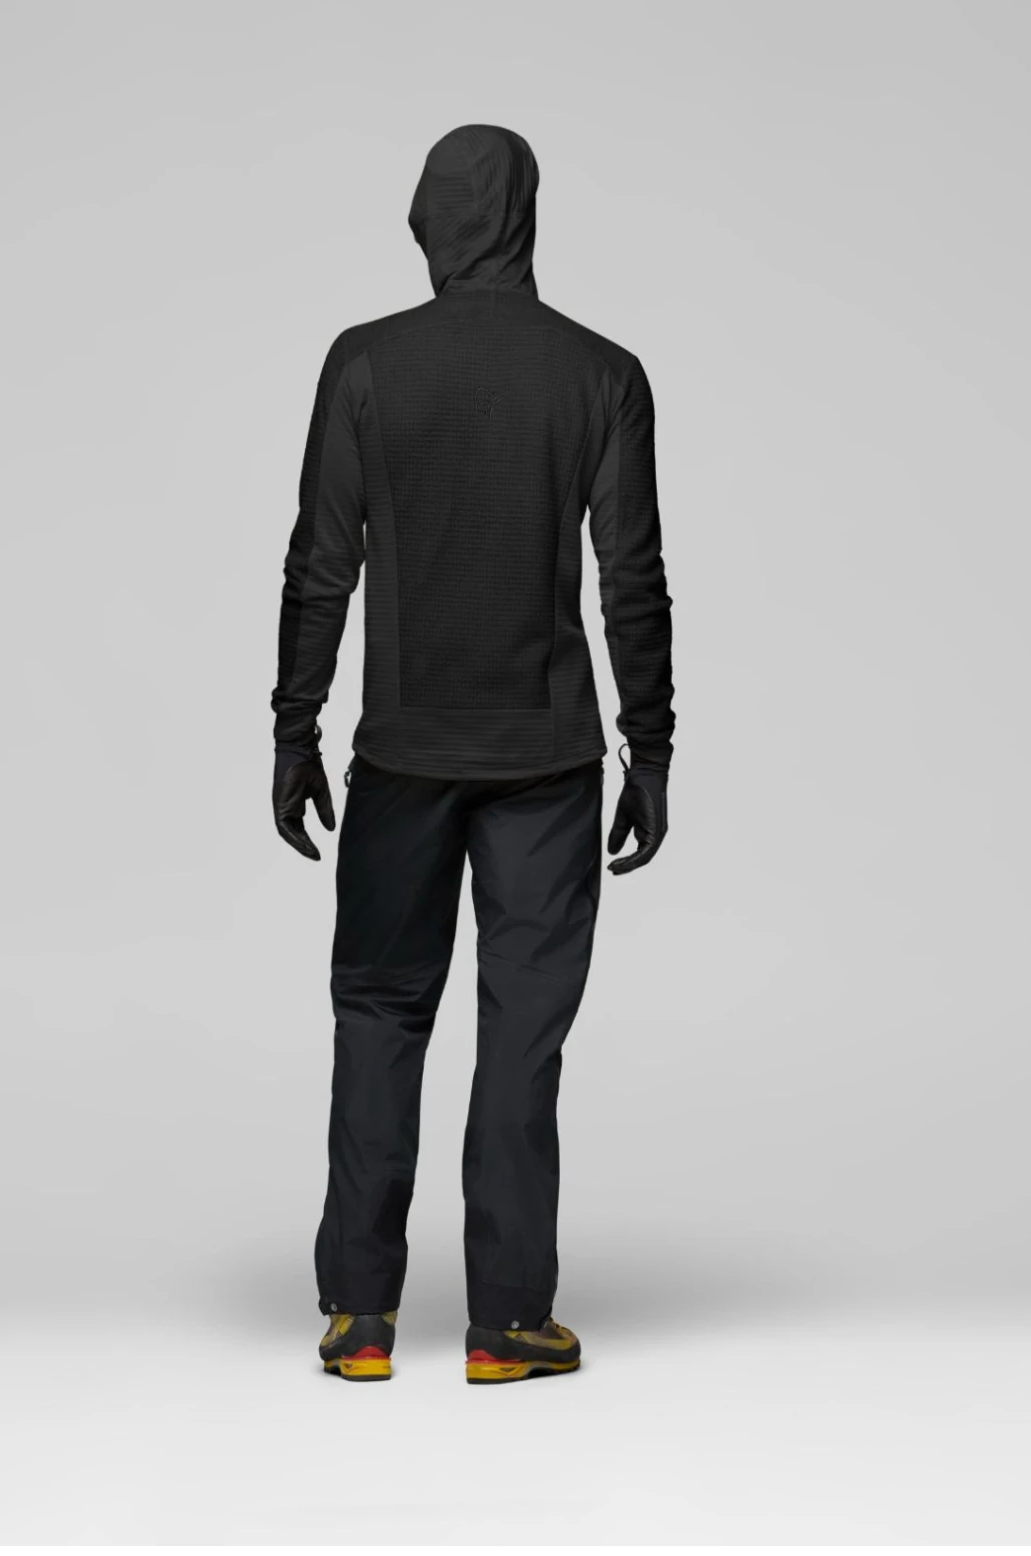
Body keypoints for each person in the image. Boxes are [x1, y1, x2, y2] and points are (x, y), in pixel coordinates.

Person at [271, 125, 674, 1383]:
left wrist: (294, 727)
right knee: (520, 1032)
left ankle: (360, 1316)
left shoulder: (364, 363)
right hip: (546, 764)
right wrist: (649, 745)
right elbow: (631, 579)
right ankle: (505, 1321)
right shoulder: (602, 374)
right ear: (526, 216)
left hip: (399, 755)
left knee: (379, 1011)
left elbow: (320, 563)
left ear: (430, 221)